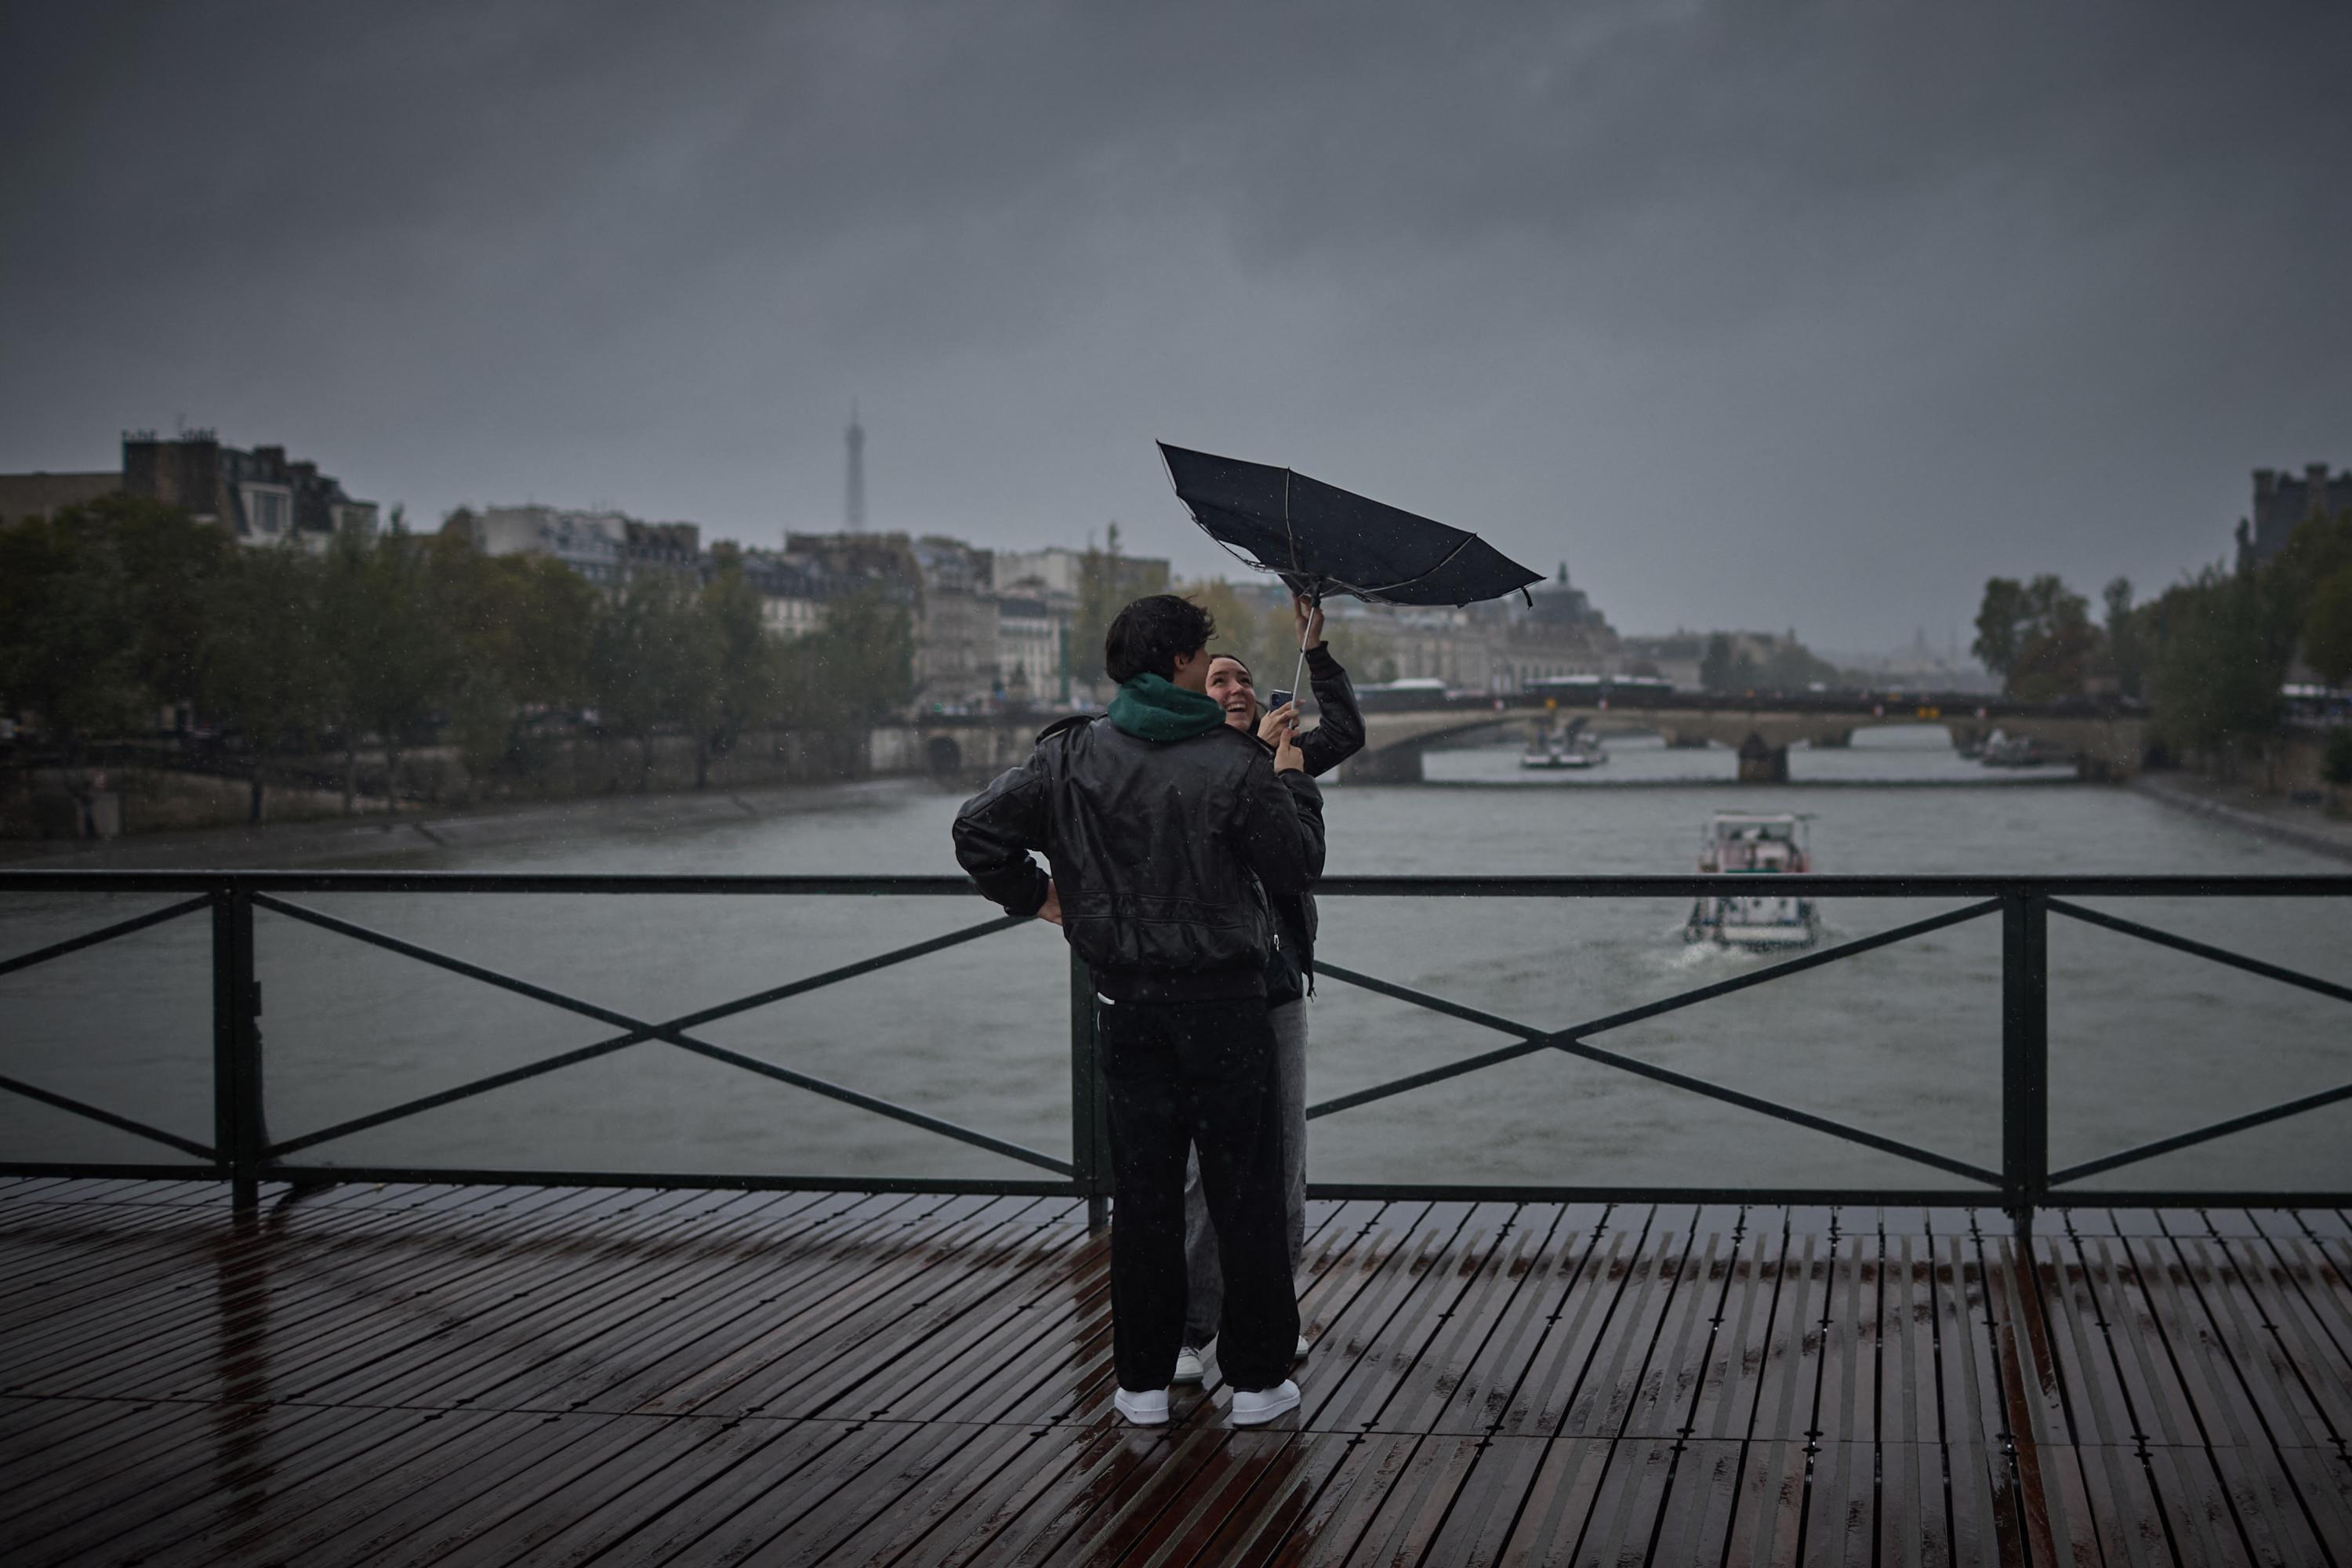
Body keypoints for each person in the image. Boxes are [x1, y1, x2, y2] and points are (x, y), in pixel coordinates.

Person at [951, 593, 1324, 1429]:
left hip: (1127, 1007)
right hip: (1227, 1008)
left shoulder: (1072, 756)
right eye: (1203, 654)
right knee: (1245, 1194)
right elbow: (1297, 867)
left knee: (1146, 1199)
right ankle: (1260, 1380)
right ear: (1183, 664)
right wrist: (1292, 784)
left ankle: (1143, 1383)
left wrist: (1045, 897)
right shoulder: (1234, 763)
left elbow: (977, 829)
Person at [1175, 594, 1365, 1385]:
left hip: (1277, 981)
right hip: (1210, 982)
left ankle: (1272, 1310)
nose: (1238, 686)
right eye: (1219, 678)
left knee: (1283, 1157)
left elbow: (1348, 735)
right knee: (1199, 1163)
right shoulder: (1184, 762)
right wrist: (1273, 765)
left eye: (1247, 676)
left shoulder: (1281, 751)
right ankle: (1192, 1322)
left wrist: (1315, 653)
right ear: (1192, 694)